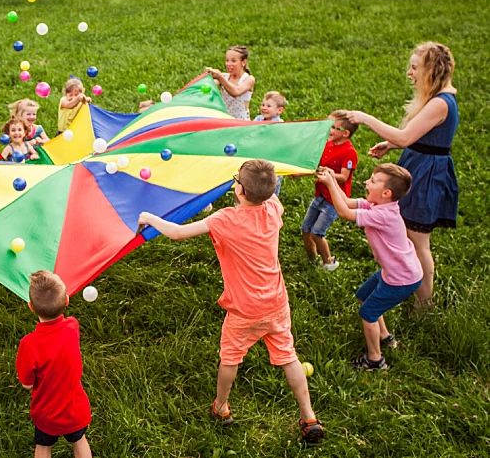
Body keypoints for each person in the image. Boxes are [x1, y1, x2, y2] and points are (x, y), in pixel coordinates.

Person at [138, 160, 325, 443]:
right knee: (289, 356)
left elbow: (176, 233)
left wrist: (149, 218)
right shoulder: (273, 209)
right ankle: (308, 415)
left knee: (230, 357)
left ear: (239, 190)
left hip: (244, 310)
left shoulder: (225, 219)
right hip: (275, 303)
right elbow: (271, 195)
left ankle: (221, 407)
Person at [345, 42, 458, 311]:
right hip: (419, 164)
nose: (410, 72)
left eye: (415, 67)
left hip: (427, 174)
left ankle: (424, 304)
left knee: (418, 241)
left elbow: (406, 135)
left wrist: (366, 118)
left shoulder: (441, 103)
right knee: (408, 234)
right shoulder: (436, 98)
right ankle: (407, 283)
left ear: (432, 70)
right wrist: (393, 145)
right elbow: (421, 137)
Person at [318, 164, 422, 370]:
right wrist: (332, 179)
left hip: (401, 279)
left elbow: (345, 213)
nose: (366, 182)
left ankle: (375, 360)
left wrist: (330, 184)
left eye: (373, 181)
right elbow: (347, 202)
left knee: (368, 313)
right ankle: (385, 336)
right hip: (395, 272)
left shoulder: (384, 216)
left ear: (386, 193)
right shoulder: (379, 206)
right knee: (364, 295)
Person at [16, 271, 93, 458]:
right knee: (79, 440)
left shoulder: (29, 344)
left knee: (43, 447)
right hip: (75, 409)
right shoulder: (72, 326)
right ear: (66, 301)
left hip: (46, 414)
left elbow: (26, 384)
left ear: (31, 307)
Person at [300, 110, 358, 271]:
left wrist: (330, 174)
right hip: (319, 195)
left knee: (317, 233)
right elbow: (316, 166)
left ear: (345, 133)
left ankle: (328, 263)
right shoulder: (327, 145)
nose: (328, 130)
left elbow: (344, 177)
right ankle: (312, 260)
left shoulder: (349, 153)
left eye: (333, 127)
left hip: (333, 200)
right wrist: (300, 172)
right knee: (306, 230)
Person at [205, 45, 256, 120]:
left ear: (243, 62)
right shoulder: (224, 77)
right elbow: (209, 85)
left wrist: (219, 77)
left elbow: (236, 92)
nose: (229, 64)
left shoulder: (249, 79)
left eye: (233, 61)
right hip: (225, 119)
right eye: (227, 60)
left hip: (241, 123)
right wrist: (207, 76)